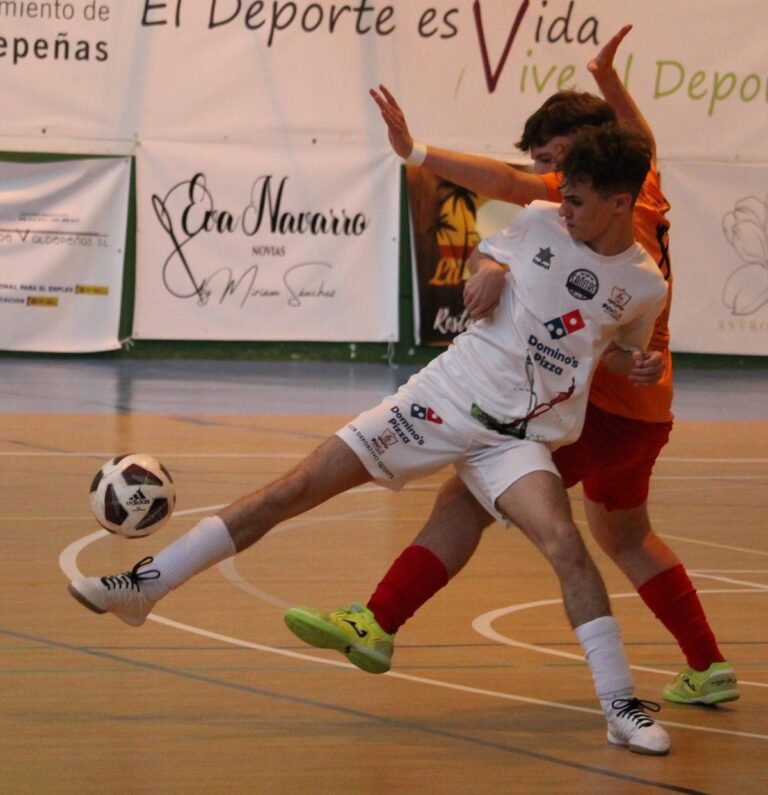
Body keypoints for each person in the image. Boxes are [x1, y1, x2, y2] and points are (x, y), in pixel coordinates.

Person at [69, 123, 671, 755]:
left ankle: (620, 705)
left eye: (577, 199)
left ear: (619, 203)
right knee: (295, 488)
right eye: (564, 195)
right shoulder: (542, 222)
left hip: (516, 440)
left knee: (566, 547)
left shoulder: (644, 283)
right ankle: (145, 585)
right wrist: (489, 266)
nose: (564, 206)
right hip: (439, 400)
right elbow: (489, 251)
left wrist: (634, 365)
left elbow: (615, 349)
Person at [284, 26, 739, 709]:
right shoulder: (638, 190)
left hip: (600, 405)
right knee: (625, 532)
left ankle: (377, 621)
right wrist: (607, 77)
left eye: (555, 165)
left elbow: (502, 182)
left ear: (585, 162)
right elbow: (628, 143)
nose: (548, 181)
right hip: (648, 414)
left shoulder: (586, 204)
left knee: (464, 497)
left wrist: (418, 152)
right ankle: (709, 666)